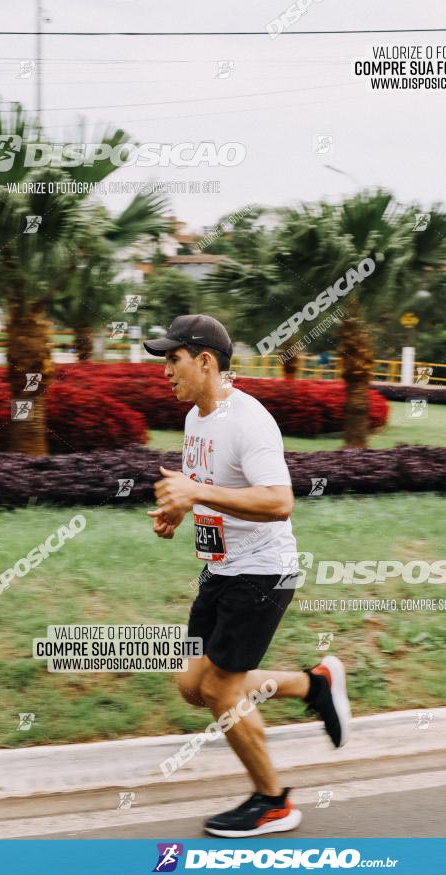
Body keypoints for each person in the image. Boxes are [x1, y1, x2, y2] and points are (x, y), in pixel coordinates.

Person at [144, 314, 351, 837]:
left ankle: (272, 800)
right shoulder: (197, 418)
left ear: (206, 361)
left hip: (261, 574)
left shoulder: (249, 419)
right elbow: (205, 482)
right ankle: (313, 684)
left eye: (173, 359)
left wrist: (197, 494)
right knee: (192, 683)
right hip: (220, 570)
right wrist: (179, 509)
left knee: (220, 690)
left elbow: (280, 501)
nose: (165, 371)